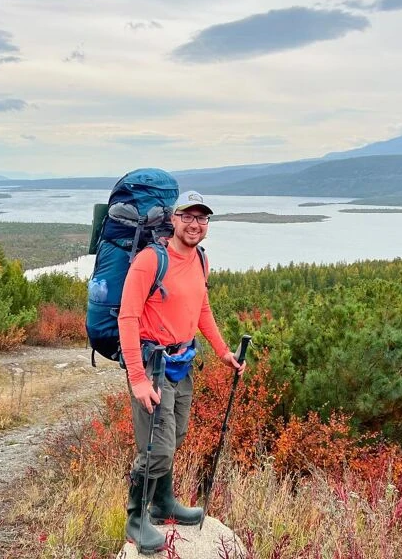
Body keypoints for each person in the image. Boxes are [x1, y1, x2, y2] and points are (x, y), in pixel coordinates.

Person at [117, 190, 245, 552]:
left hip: (182, 363)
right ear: (172, 220)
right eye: (187, 216)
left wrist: (223, 352)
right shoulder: (149, 260)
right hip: (153, 365)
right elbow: (127, 317)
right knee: (156, 447)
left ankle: (163, 504)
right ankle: (136, 518)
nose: (194, 224)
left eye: (202, 218)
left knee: (176, 436)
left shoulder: (201, 260)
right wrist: (138, 378)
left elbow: (201, 307)